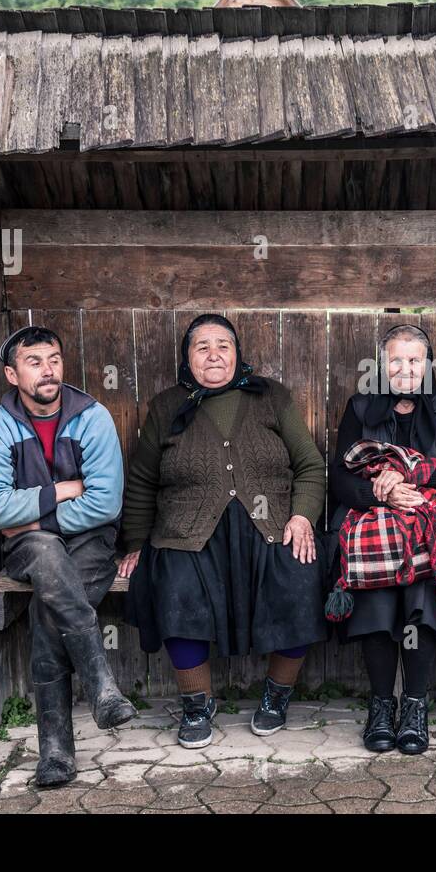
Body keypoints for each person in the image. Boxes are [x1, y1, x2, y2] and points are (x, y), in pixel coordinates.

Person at [120, 314, 327, 749]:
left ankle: (276, 695)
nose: (214, 354)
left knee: (298, 576)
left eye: (223, 345)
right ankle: (197, 704)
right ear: (187, 358)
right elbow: (142, 481)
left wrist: (302, 516)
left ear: (237, 354)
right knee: (175, 585)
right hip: (185, 532)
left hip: (272, 526)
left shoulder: (271, 397)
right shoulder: (165, 406)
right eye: (202, 347)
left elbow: (309, 465)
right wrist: (135, 544)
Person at [0, 325, 134, 788]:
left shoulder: (93, 417)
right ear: (11, 373)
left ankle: (57, 753)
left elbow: (106, 503)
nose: (48, 371)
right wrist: (62, 490)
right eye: (34, 362)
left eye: (54, 360)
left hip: (92, 543)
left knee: (49, 605)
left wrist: (33, 513)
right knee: (45, 554)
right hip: (28, 548)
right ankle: (101, 684)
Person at [326, 324, 436, 755]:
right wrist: (379, 492)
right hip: (372, 517)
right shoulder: (360, 408)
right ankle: (382, 705)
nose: (405, 369)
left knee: (423, 589)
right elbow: (341, 477)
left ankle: (414, 704)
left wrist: (411, 480)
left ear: (428, 364)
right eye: (396, 360)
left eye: (414, 360)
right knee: (379, 592)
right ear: (382, 365)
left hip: (428, 515)